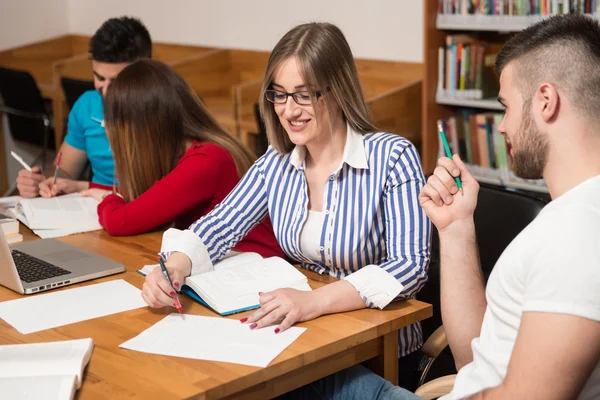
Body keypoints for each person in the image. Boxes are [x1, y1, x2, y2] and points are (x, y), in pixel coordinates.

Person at [279, 13, 600, 400]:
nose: (501, 127)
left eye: (507, 107)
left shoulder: (577, 237)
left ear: (546, 101)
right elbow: (475, 358)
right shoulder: (569, 216)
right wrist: (455, 227)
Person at [140, 22, 431, 384]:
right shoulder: (277, 162)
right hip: (303, 342)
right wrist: (173, 268)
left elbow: (410, 267)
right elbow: (218, 226)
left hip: (376, 351)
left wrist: (314, 302)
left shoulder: (392, 157)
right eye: (279, 94)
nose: (289, 110)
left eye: (303, 94)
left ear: (338, 91)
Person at [78, 59, 283, 261]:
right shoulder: (190, 150)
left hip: (255, 271)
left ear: (136, 130)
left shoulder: (205, 160)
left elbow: (118, 221)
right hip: (228, 264)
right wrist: (84, 187)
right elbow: (151, 198)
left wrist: (108, 199)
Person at [16, 16, 152, 198]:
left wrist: (83, 187)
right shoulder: (87, 106)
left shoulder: (165, 110)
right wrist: (41, 183)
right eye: (100, 78)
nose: (105, 90)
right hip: (93, 212)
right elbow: (63, 171)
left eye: (117, 81)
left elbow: (161, 196)